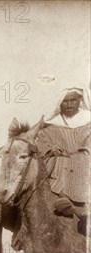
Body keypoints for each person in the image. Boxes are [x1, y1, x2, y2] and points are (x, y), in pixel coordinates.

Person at [36, 85, 90, 220]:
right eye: (65, 101)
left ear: (80, 100)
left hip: (84, 167)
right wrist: (51, 150)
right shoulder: (51, 124)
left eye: (73, 100)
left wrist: (83, 152)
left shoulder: (88, 120)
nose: (69, 104)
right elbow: (43, 141)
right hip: (58, 170)